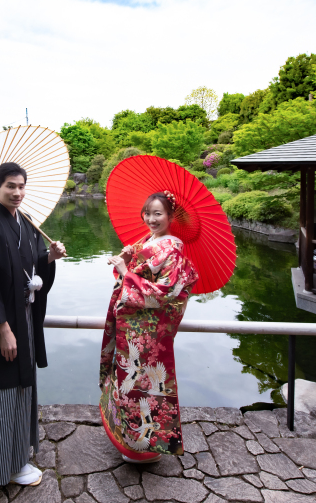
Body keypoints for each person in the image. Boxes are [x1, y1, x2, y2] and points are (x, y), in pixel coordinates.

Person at [0, 162, 67, 486]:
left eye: (21, 186)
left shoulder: (28, 222)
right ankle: (3, 465)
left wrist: (49, 258)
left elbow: (29, 266)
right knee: (0, 394)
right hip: (1, 328)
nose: (17, 192)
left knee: (21, 389)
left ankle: (14, 453)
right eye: (10, 186)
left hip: (25, 320)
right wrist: (3, 330)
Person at [99, 191, 198, 464]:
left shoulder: (172, 251)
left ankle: (147, 449)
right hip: (131, 327)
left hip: (147, 333)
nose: (151, 219)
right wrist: (127, 259)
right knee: (126, 381)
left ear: (170, 216)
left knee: (145, 385)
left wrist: (125, 272)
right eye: (148, 213)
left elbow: (163, 293)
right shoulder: (149, 241)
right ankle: (127, 440)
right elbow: (137, 271)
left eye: (158, 214)